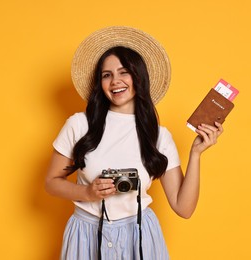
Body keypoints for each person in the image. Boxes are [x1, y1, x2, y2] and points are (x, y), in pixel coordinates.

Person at [45, 26, 223, 260]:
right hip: (86, 234)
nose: (115, 81)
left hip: (140, 235)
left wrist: (196, 154)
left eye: (124, 72)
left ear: (138, 76)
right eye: (106, 75)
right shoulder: (79, 125)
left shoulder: (159, 136)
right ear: (100, 83)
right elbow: (51, 182)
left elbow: (184, 208)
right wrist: (88, 192)